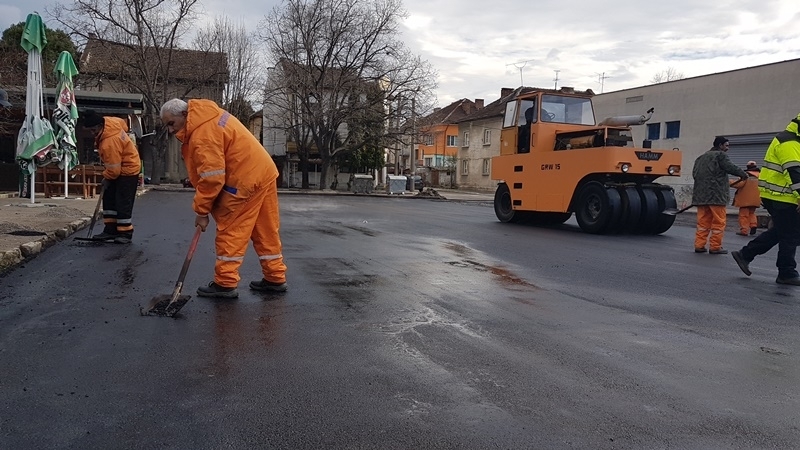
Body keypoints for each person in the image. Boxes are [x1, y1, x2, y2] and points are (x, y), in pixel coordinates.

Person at [160, 98, 287, 298]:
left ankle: (225, 283)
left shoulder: (203, 133)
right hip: (263, 171)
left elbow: (212, 178)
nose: (170, 129)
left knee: (231, 228)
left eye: (171, 123)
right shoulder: (210, 116)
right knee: (265, 228)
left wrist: (201, 211)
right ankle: (275, 276)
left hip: (244, 180)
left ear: (184, 114)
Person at [732, 114, 800, 285]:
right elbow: (794, 172)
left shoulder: (790, 140)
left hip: (780, 196)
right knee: (790, 234)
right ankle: (786, 273)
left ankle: (746, 254)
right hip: (783, 197)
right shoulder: (789, 143)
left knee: (783, 231)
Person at [82, 110, 140, 244]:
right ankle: (110, 230)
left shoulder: (110, 141)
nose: (92, 133)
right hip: (120, 168)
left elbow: (114, 170)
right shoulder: (109, 125)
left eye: (92, 130)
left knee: (122, 201)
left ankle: (125, 233)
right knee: (109, 199)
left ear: (99, 126)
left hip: (128, 170)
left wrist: (106, 177)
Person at [691, 136, 747, 254]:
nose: (728, 148)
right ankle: (715, 247)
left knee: (703, 223)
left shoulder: (701, 158)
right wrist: (742, 174)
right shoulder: (720, 156)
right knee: (718, 222)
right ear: (720, 145)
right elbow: (730, 167)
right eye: (726, 145)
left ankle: (699, 245)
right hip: (716, 196)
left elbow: (695, 174)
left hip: (701, 197)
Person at [730, 161, 761, 236]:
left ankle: (744, 230)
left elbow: (738, 184)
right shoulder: (761, 176)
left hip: (745, 200)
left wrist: (729, 182)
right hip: (756, 199)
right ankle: (753, 225)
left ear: (747, 167)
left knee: (743, 215)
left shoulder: (745, 175)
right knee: (752, 213)